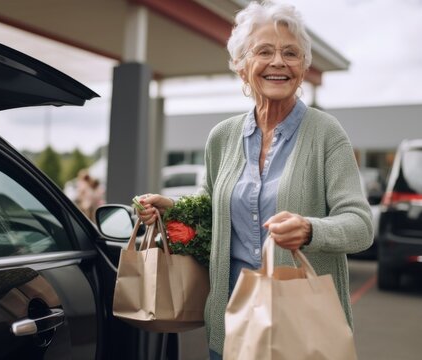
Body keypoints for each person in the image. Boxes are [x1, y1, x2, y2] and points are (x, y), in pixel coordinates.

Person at [136, 1, 373, 358]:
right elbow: (212, 207)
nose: (278, 62)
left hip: (302, 327)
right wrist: (171, 210)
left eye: (290, 53)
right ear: (242, 66)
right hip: (231, 318)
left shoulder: (326, 133)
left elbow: (360, 226)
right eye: (264, 51)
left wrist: (310, 230)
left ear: (304, 67)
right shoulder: (222, 136)